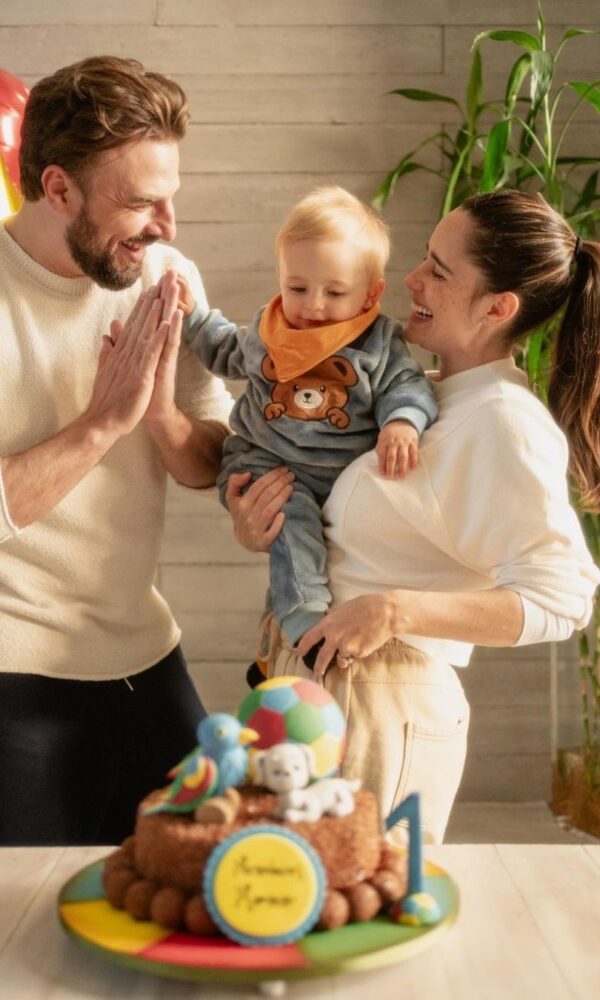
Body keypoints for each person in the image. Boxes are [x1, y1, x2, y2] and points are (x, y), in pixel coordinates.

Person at [226, 189, 600, 845]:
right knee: (281, 913)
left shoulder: (503, 423)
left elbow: (566, 598)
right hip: (318, 688)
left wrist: (395, 610)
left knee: (352, 923)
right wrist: (255, 517)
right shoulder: (424, 395)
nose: (411, 279)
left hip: (377, 703)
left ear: (498, 307)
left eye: (438, 269)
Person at [0, 56, 233, 846]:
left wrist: (161, 418)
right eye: (139, 202)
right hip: (16, 670)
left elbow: (210, 463)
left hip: (144, 653)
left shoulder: (164, 274)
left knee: (211, 880)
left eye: (170, 197)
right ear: (58, 187)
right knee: (22, 928)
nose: (166, 226)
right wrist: (101, 423)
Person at [173, 186, 437, 674]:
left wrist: (402, 422)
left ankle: (270, 643)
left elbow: (409, 386)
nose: (313, 306)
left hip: (340, 474)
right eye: (297, 288)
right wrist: (193, 316)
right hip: (263, 460)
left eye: (335, 292)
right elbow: (225, 351)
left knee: (322, 552)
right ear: (281, 278)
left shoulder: (380, 344)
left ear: (371, 293)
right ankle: (302, 623)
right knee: (291, 527)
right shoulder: (270, 331)